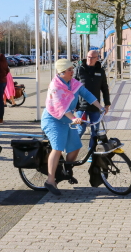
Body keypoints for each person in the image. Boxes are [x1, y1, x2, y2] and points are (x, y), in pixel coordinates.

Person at [41, 59, 104, 195]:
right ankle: (50, 180)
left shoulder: (73, 83)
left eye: (72, 69)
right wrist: (75, 118)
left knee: (76, 146)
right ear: (61, 73)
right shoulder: (55, 86)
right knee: (57, 149)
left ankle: (66, 170)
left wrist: (100, 107)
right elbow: (61, 107)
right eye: (69, 70)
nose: (72, 72)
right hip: (53, 120)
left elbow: (86, 94)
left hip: (67, 120)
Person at [74, 50, 111, 150]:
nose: (89, 59)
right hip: (81, 106)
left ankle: (91, 153)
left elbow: (105, 88)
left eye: (92, 58)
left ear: (97, 58)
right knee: (80, 129)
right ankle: (71, 149)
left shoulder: (100, 71)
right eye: (88, 57)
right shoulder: (79, 69)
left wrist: (107, 104)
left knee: (95, 131)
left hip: (95, 107)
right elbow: (72, 88)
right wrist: (73, 105)